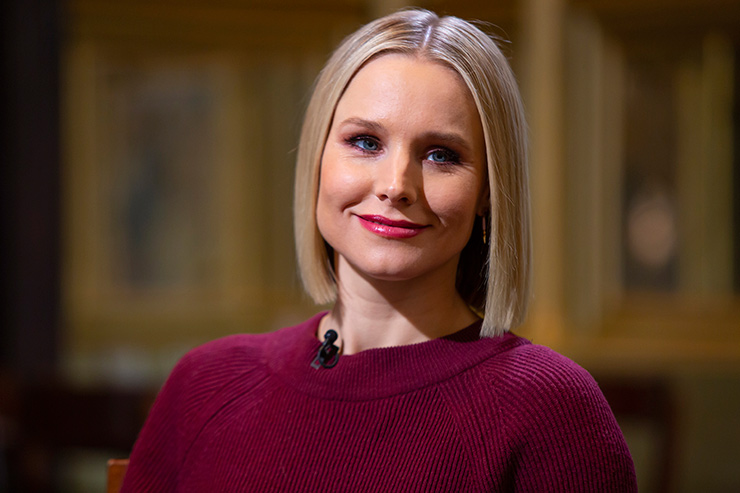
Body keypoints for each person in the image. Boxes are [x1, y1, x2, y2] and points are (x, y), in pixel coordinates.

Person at [121, 8, 637, 492]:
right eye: (366, 142)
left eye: (441, 155)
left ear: (488, 191)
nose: (396, 186)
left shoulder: (552, 410)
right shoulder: (206, 384)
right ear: (318, 158)